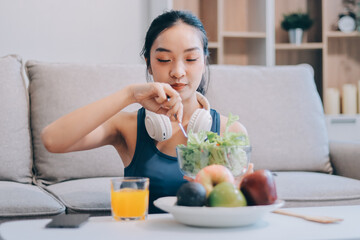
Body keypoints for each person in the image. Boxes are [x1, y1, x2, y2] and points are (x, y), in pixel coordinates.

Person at [41, 10, 250, 214]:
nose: (177, 72)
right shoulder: (129, 127)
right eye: (164, 60)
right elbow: (52, 139)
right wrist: (129, 94)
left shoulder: (230, 130)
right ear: (148, 64)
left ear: (204, 62)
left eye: (191, 59)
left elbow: (240, 207)